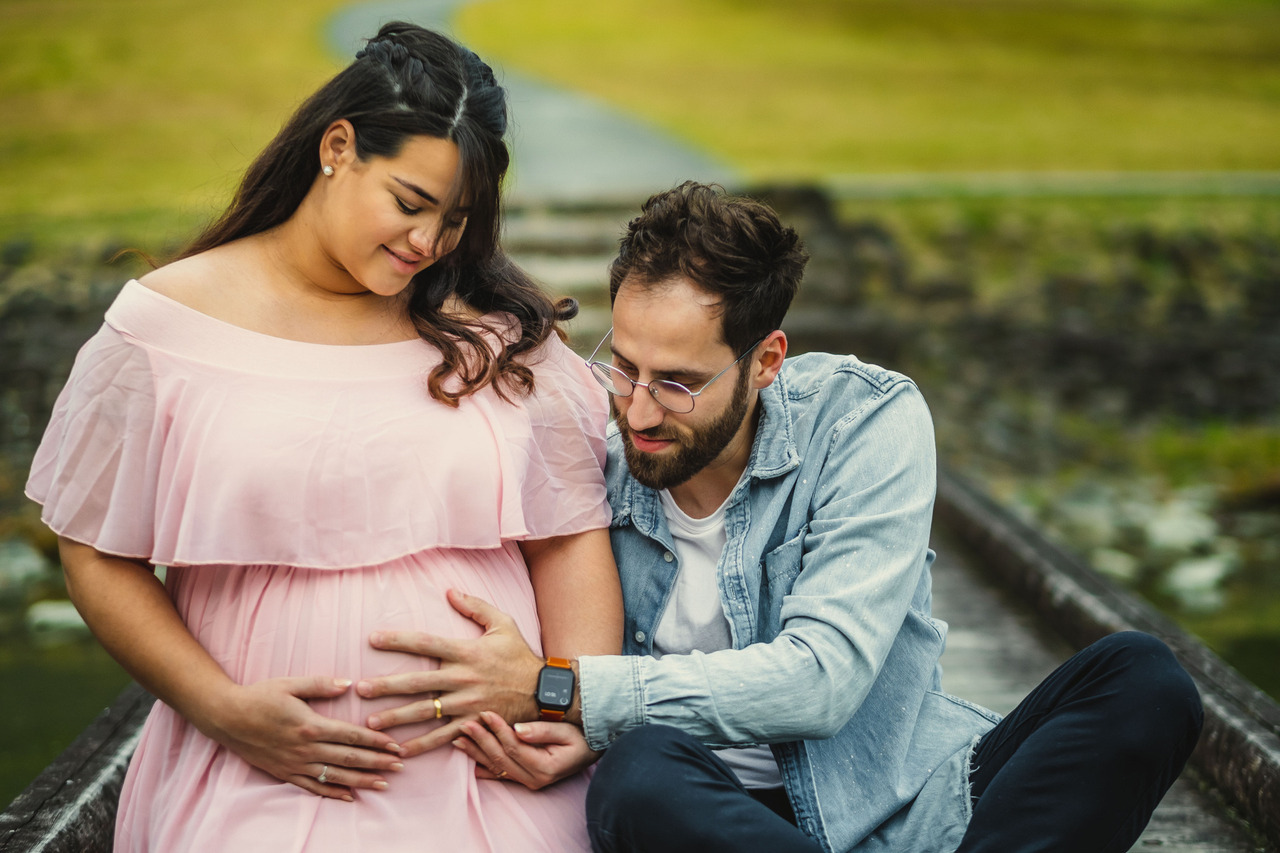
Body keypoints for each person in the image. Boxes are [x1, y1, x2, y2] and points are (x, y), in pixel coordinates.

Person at [359, 182, 1205, 853]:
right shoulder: (591, 431)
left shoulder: (864, 420)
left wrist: (564, 689)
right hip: (699, 815)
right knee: (640, 775)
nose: (641, 410)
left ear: (766, 360)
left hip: (909, 803)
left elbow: (822, 678)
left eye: (680, 382)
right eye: (624, 366)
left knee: (1144, 679)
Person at [24, 23, 622, 852]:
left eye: (454, 220)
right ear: (338, 147)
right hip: (258, 772)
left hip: (495, 776)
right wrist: (221, 709)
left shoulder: (495, 329)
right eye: (410, 204)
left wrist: (567, 706)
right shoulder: (166, 327)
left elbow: (569, 533)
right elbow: (94, 549)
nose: (428, 243)